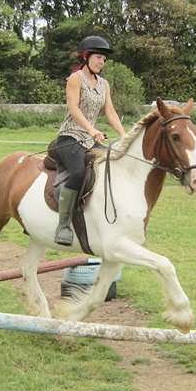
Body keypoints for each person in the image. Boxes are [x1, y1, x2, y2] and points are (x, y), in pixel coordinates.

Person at [54, 35, 127, 246]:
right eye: (98, 57)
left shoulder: (104, 84)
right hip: (70, 137)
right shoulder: (75, 78)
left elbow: (110, 112)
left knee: (112, 165)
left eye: (104, 59)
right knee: (78, 172)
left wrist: (124, 136)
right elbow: (73, 107)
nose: (101, 62)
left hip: (90, 139)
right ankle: (63, 224)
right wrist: (91, 128)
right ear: (86, 57)